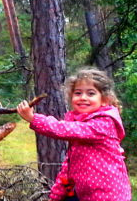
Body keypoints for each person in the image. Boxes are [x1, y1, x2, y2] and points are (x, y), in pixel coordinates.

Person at [17, 68, 131, 201]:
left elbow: (64, 129)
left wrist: (34, 119)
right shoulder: (79, 126)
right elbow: (69, 166)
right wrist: (57, 194)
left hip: (109, 195)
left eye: (91, 93)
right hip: (85, 194)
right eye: (78, 93)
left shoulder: (105, 123)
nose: (83, 97)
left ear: (105, 100)